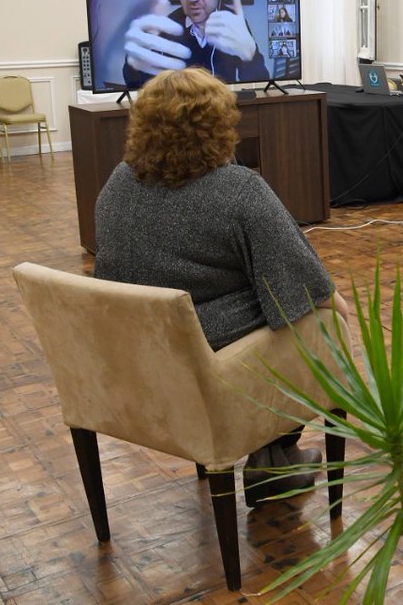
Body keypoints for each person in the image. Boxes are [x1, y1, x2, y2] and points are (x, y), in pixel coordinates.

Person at [93, 67, 349, 503]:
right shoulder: (238, 190)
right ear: (219, 125)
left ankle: (272, 461)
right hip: (213, 364)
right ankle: (276, 456)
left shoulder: (118, 183)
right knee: (315, 320)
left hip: (138, 361)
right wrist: (338, 312)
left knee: (266, 304)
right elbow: (309, 287)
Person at [123, 0, 269, 87]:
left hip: (224, 111)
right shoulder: (168, 26)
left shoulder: (234, 24)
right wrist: (134, 63)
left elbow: (260, 83)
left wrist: (252, 55)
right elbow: (136, 84)